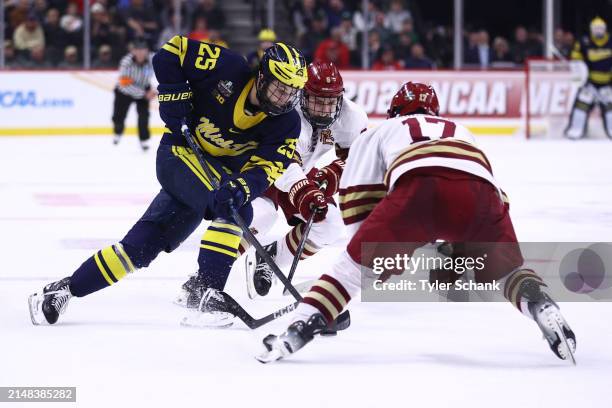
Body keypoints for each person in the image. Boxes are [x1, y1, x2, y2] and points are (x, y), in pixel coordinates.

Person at [256, 82, 576, 363]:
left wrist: (372, 258)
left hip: (418, 190)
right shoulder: (462, 131)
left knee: (348, 273)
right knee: (507, 272)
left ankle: (297, 331)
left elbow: (357, 198)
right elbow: (497, 197)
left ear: (395, 111)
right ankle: (542, 305)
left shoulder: (384, 130)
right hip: (480, 196)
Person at [28, 39, 307, 327]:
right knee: (239, 212)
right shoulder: (227, 67)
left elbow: (267, 169)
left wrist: (242, 187)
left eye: (291, 92)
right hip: (178, 156)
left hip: (211, 179)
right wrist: (174, 93)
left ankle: (63, 289)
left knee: (138, 249)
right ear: (262, 76)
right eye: (279, 87)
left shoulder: (287, 124)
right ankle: (206, 293)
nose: (284, 97)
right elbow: (171, 51)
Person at [175, 61, 368, 306]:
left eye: (330, 102)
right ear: (303, 94)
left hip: (300, 173)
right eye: (318, 100)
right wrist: (306, 190)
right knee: (260, 216)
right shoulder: (288, 112)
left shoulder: (351, 116)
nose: (324, 109)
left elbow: (358, 160)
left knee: (330, 224)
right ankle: (205, 279)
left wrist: (332, 174)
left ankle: (271, 259)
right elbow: (284, 162)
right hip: (260, 169)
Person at [564, 17, 612, 140]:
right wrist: (583, 79)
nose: (598, 31)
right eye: (595, 29)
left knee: (610, 108)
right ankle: (575, 129)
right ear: (591, 30)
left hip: (607, 84)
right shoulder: (583, 42)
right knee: (581, 105)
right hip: (589, 84)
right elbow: (576, 61)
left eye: (600, 29)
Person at [112, 39, 155, 150]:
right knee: (119, 116)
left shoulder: (153, 59)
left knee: (144, 116)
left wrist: (155, 90)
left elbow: (164, 72)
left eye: (143, 50)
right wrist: (144, 93)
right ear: (133, 51)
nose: (140, 53)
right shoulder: (126, 62)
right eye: (137, 50)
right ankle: (118, 131)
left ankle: (144, 140)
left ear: (147, 51)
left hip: (144, 88)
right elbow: (124, 84)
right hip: (124, 92)